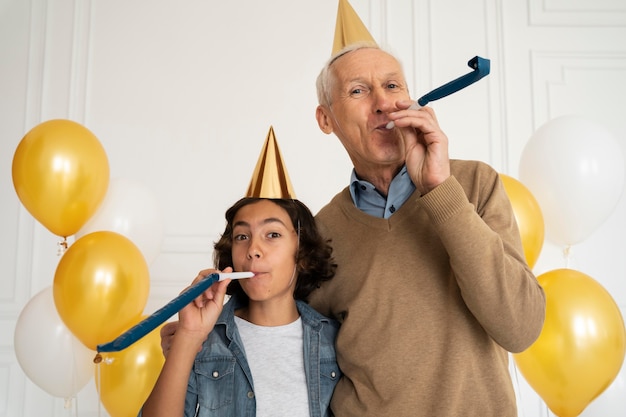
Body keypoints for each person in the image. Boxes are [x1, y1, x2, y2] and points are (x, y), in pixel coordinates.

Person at [162, 43, 546, 416]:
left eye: (393, 86)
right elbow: (282, 336)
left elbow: (521, 329)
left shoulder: (473, 184)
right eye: (358, 91)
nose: (382, 102)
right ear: (325, 119)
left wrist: (440, 190)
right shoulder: (320, 233)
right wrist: (194, 345)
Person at [142, 197, 341, 417]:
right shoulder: (205, 339)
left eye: (272, 234)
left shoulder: (334, 341)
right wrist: (189, 336)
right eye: (242, 237)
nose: (253, 249)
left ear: (302, 253)